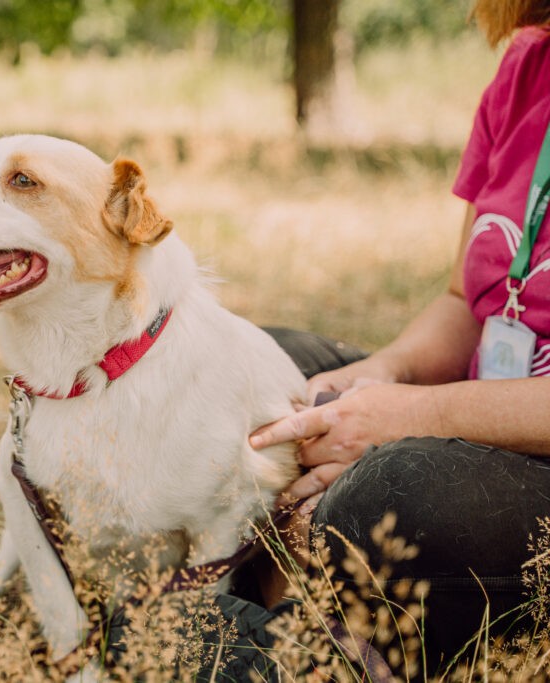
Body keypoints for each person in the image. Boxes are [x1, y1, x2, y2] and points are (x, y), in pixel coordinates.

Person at [246, 0, 550, 675]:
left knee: (388, 494)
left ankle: (292, 632)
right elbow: (465, 301)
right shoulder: (526, 64)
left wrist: (407, 420)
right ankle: (259, 622)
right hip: (476, 408)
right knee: (258, 372)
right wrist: (378, 379)